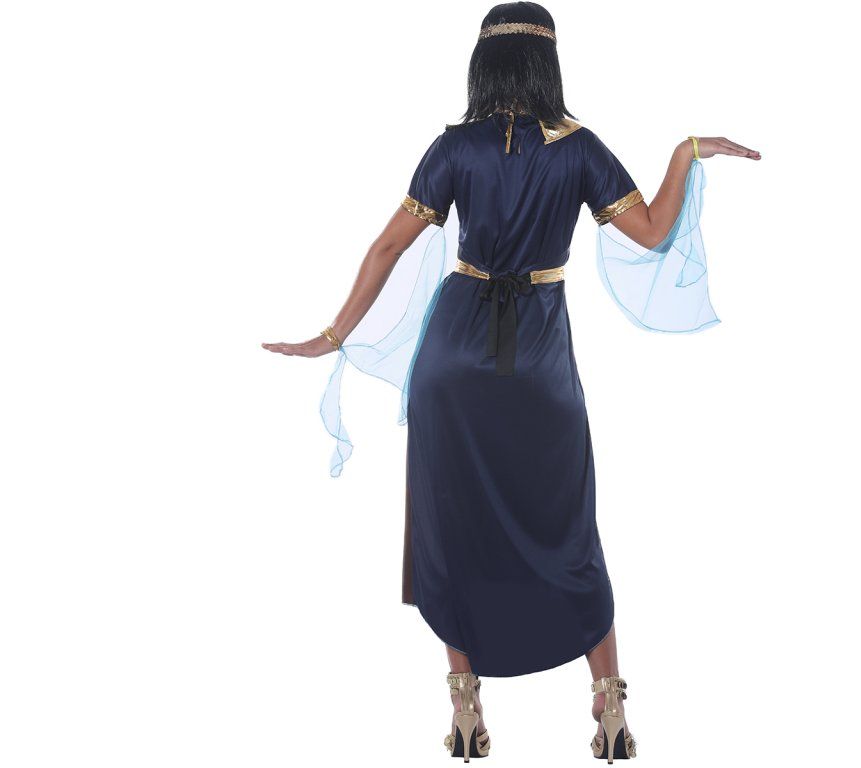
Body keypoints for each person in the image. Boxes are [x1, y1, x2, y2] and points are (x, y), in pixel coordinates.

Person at [263, 2, 759, 761]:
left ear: (483, 63)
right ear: (547, 62)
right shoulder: (580, 148)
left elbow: (386, 248)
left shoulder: (454, 147)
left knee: (451, 522)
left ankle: (464, 706)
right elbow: (655, 233)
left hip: (453, 359)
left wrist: (331, 335)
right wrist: (684, 152)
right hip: (538, 360)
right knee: (568, 522)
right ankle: (609, 703)